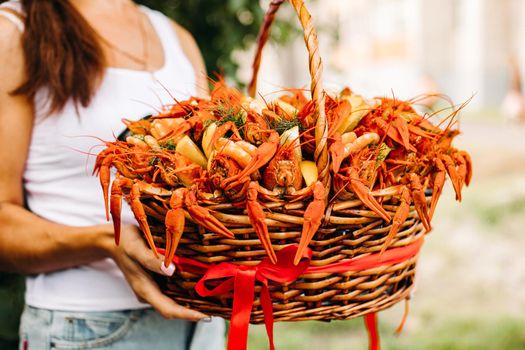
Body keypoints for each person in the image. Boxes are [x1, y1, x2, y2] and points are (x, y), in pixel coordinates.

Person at [0, 0, 225, 349]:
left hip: (202, 322)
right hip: (87, 326)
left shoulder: (175, 37)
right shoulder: (14, 29)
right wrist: (106, 241)